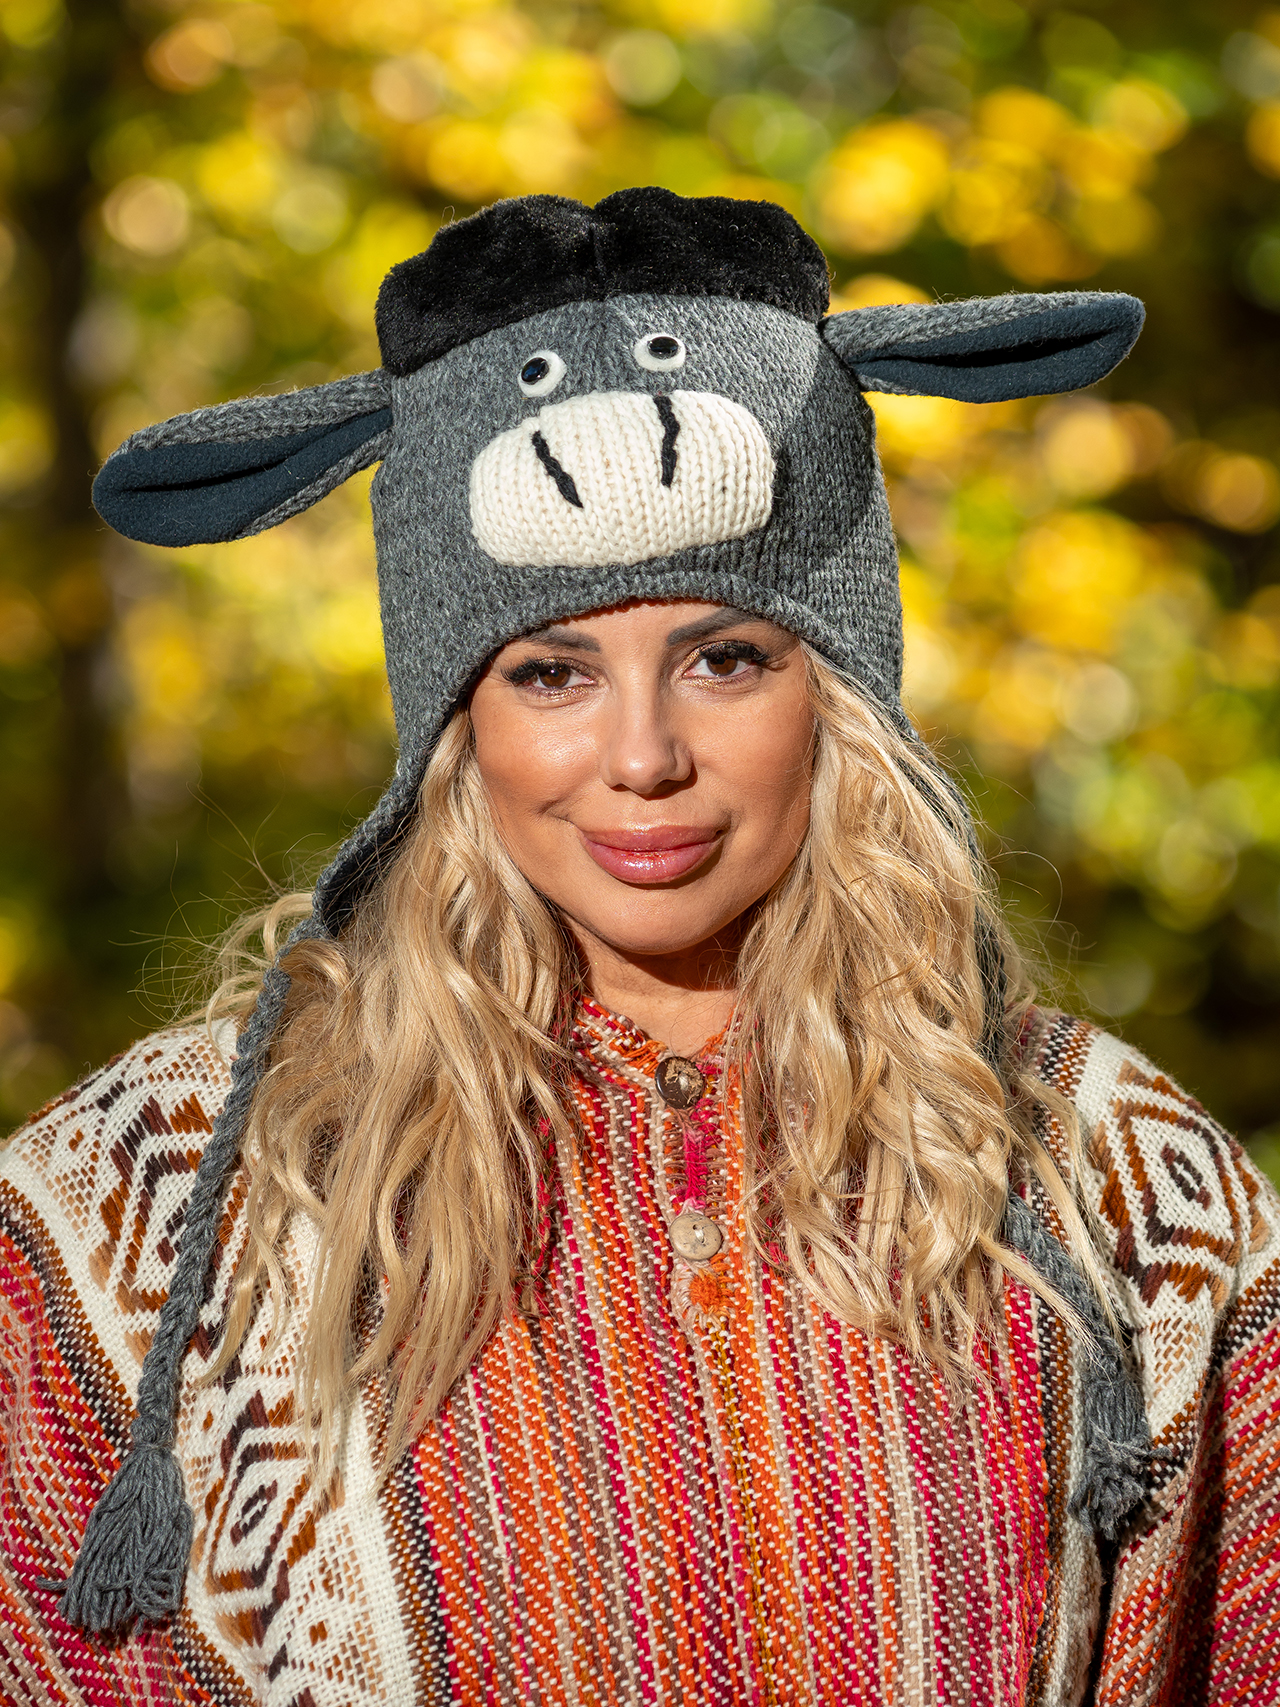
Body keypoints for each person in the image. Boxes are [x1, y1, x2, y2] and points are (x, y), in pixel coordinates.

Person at [0, 188, 1275, 1705]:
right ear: (453, 726)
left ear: (841, 692)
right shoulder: (157, 1201)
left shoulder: (1102, 1171)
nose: (644, 756)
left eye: (726, 658)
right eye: (551, 673)